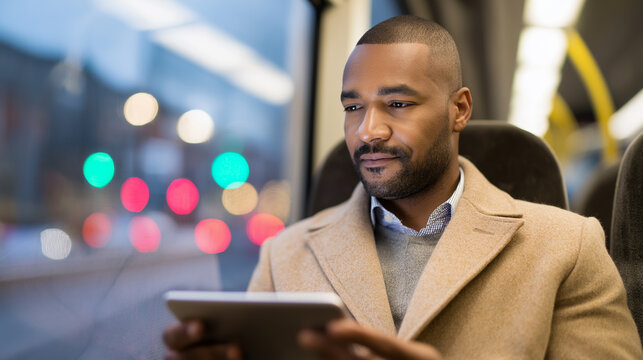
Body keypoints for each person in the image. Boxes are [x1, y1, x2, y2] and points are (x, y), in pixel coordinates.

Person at [164, 15, 642, 359]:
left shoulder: (567, 247)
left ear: (459, 109)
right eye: (353, 108)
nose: (368, 130)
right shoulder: (283, 256)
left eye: (396, 103)